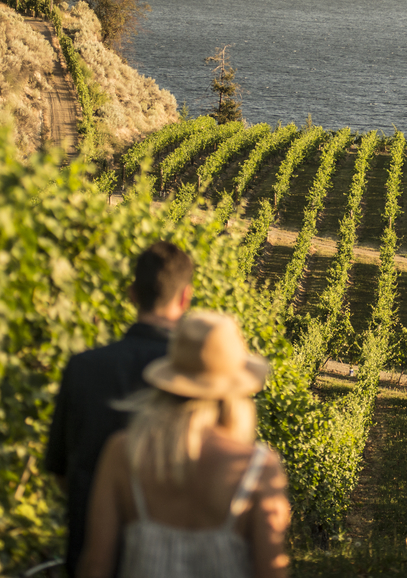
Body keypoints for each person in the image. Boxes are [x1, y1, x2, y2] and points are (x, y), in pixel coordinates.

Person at [78, 312, 290, 578]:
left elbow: (96, 565)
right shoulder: (257, 468)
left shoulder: (124, 453)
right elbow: (270, 572)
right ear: (237, 390)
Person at [44, 241, 195, 576]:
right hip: (171, 559)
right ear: (186, 297)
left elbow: (59, 469)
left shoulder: (82, 367)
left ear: (132, 294)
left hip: (88, 554)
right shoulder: (198, 378)